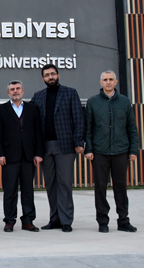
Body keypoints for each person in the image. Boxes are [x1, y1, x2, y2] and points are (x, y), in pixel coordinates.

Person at [30, 64, 85, 232]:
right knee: (51, 184)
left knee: (64, 183)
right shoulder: (38, 96)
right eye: (47, 75)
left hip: (65, 146)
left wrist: (79, 142)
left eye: (53, 74)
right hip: (45, 147)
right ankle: (54, 219)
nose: (50, 77)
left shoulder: (70, 93)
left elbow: (78, 118)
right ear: (43, 78)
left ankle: (66, 220)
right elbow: (29, 116)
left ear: (58, 75)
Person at [85, 70, 139, 233]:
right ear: (100, 83)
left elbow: (132, 128)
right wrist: (89, 149)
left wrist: (133, 150)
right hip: (99, 152)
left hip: (121, 151)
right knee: (100, 188)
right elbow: (88, 128)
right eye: (105, 79)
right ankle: (102, 221)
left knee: (121, 188)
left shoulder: (124, 101)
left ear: (116, 82)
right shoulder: (93, 102)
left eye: (111, 79)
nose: (108, 82)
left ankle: (123, 221)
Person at [0, 80, 44, 233]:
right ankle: (9, 221)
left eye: (17, 88)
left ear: (23, 90)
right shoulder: (1, 110)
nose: (15, 91)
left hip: (28, 156)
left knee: (28, 191)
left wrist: (38, 153)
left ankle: (28, 221)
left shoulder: (32, 109)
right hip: (9, 157)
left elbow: (38, 132)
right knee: (10, 191)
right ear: (8, 92)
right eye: (12, 89)